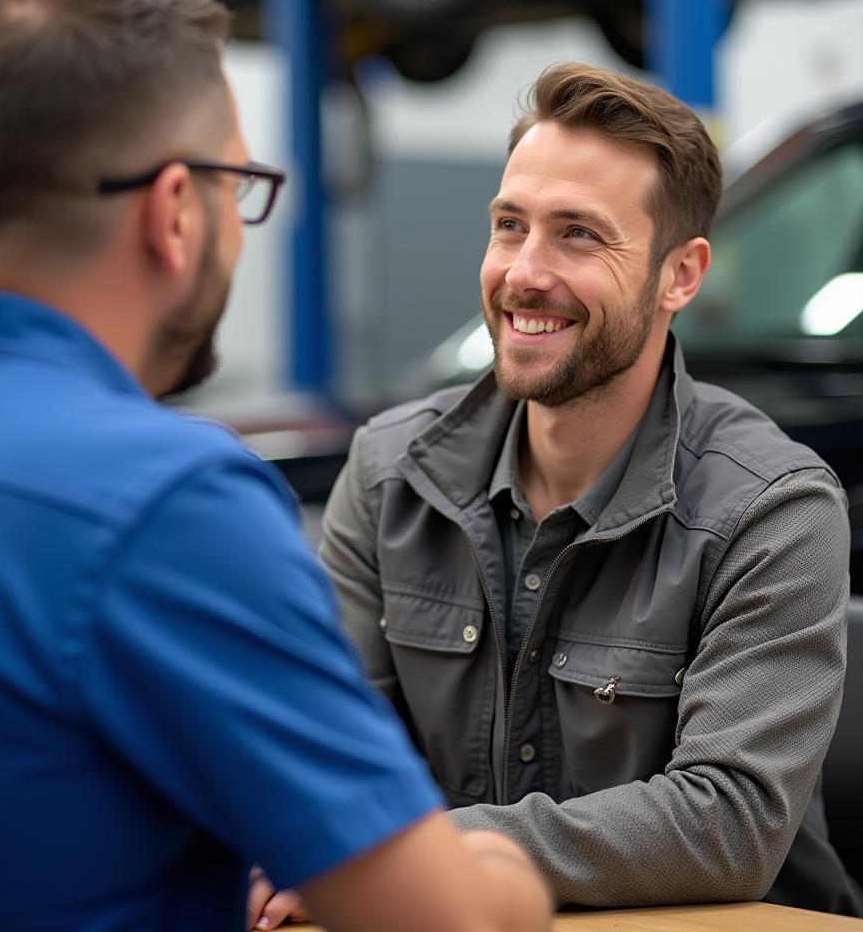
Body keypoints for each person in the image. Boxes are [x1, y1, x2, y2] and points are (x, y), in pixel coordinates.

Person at [0, 0, 553, 932]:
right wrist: (505, 872)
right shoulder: (162, 503)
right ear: (174, 209)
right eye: (238, 182)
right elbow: (442, 920)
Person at [316, 63, 861, 915]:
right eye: (509, 226)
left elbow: (729, 824)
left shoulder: (773, 510)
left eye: (578, 235)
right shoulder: (391, 476)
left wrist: (410, 853)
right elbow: (325, 755)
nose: (525, 273)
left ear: (680, 275)